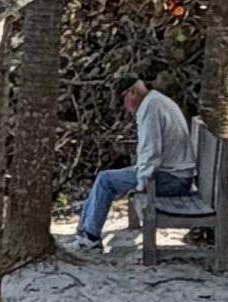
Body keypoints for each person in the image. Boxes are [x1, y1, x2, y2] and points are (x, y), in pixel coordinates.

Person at [77, 79, 197, 257]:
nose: (124, 107)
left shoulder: (150, 108)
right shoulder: (154, 101)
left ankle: (90, 236)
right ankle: (85, 232)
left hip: (173, 178)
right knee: (105, 177)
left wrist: (141, 184)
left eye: (123, 99)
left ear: (132, 92)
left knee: (106, 180)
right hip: (174, 173)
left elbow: (151, 151)